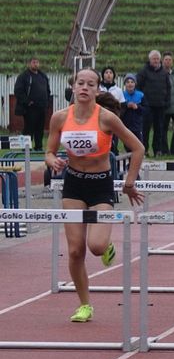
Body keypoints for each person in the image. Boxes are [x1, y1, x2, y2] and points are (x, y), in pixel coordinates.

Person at [43, 69, 145, 323]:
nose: (85, 88)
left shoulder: (107, 118)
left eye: (90, 84)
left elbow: (138, 148)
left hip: (101, 185)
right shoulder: (60, 118)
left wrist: (129, 182)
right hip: (74, 185)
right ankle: (85, 304)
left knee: (96, 247)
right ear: (73, 87)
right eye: (81, 83)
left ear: (98, 90)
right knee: (75, 251)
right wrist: (52, 161)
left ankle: (106, 244)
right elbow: (49, 152)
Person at [14, 56, 53, 154]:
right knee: (29, 128)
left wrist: (47, 102)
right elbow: (18, 91)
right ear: (29, 64)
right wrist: (28, 102)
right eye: (33, 62)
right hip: (30, 108)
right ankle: (26, 148)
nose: (36, 64)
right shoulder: (24, 76)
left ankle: (38, 147)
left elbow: (47, 90)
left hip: (42, 107)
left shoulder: (43, 76)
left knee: (40, 128)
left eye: (37, 62)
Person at [135, 50, 170, 156]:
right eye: (154, 59)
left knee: (159, 129)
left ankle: (157, 150)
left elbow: (168, 88)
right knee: (145, 129)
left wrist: (167, 101)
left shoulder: (164, 73)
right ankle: (144, 149)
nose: (155, 61)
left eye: (157, 59)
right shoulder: (143, 72)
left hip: (160, 105)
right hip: (147, 106)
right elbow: (138, 87)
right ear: (150, 60)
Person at [119, 74, 144, 147]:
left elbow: (145, 110)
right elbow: (119, 109)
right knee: (127, 144)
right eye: (127, 82)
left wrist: (137, 107)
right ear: (125, 84)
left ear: (135, 84)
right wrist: (126, 106)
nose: (130, 84)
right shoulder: (122, 95)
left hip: (137, 125)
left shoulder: (141, 95)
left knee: (139, 143)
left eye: (132, 82)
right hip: (126, 125)